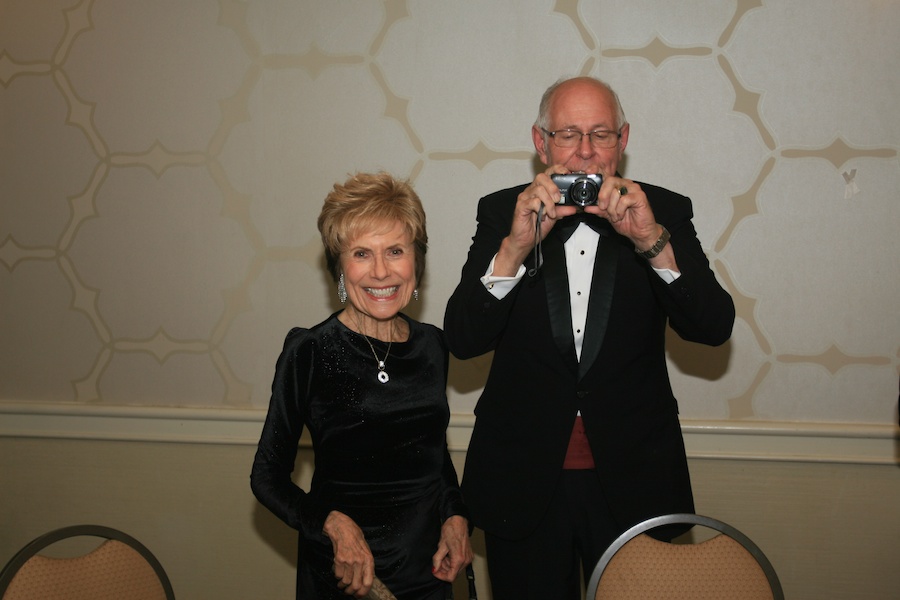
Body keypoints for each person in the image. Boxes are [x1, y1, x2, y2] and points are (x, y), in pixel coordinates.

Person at [444, 76, 735, 598]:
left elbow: (713, 328)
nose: (584, 151)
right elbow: (463, 338)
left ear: (623, 140)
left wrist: (651, 241)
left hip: (635, 479)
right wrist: (513, 249)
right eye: (568, 134)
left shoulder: (662, 210)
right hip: (523, 481)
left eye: (600, 134)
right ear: (541, 143)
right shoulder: (502, 211)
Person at [252, 172, 473, 599]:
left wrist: (455, 515)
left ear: (416, 262)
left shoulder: (433, 346)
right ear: (340, 267)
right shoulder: (311, 351)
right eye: (361, 254)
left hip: (428, 571)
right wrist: (332, 525)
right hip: (344, 574)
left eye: (395, 251)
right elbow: (267, 477)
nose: (381, 271)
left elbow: (431, 455)